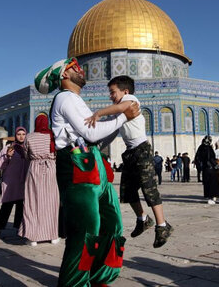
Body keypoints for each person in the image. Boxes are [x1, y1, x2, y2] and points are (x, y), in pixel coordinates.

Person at [35, 57, 140, 286]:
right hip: (77, 169)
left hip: (93, 165)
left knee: (112, 225)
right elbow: (91, 133)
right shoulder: (65, 98)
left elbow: (94, 135)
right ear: (64, 75)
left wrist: (118, 120)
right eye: (74, 68)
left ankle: (99, 278)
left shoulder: (76, 100)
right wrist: (123, 116)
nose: (81, 70)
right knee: (85, 231)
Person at [85, 75, 173, 248]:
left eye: (113, 92)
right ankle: (143, 219)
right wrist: (97, 145)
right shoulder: (119, 112)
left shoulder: (130, 100)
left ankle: (162, 226)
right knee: (127, 190)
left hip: (142, 151)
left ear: (125, 91)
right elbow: (111, 132)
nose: (110, 96)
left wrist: (98, 113)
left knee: (149, 189)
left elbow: (123, 105)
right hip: (130, 153)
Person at [18, 114, 60, 245]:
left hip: (34, 168)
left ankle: (33, 237)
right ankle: (52, 235)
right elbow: (57, 153)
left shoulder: (29, 137)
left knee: (33, 202)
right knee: (51, 202)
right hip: (51, 169)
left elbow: (26, 155)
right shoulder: (52, 136)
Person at [0, 129, 30, 238]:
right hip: (10, 183)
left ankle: (18, 230)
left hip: (23, 183)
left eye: (23, 134)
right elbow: (0, 166)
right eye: (19, 134)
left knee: (20, 207)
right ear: (15, 135)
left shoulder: (27, 148)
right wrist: (7, 157)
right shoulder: (8, 148)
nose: (21, 137)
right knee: (6, 206)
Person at [196, 136, 219, 204]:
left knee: (207, 183)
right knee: (212, 183)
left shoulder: (200, 148)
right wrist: (216, 165)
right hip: (211, 168)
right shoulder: (209, 148)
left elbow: (197, 158)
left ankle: (209, 196)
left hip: (205, 168)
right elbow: (211, 158)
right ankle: (212, 197)